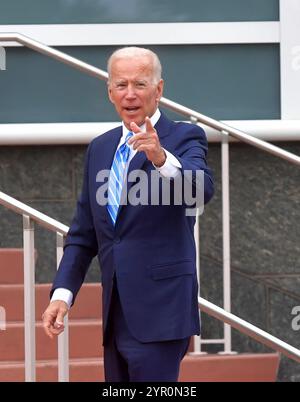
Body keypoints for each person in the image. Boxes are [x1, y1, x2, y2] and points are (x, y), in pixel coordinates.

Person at [42, 46, 214, 382]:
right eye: (121, 85)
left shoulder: (184, 137)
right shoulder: (101, 148)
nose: (130, 94)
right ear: (109, 92)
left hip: (161, 311)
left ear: (159, 89)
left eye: (140, 84)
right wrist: (63, 294)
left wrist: (161, 158)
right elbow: (83, 234)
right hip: (116, 312)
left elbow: (199, 192)